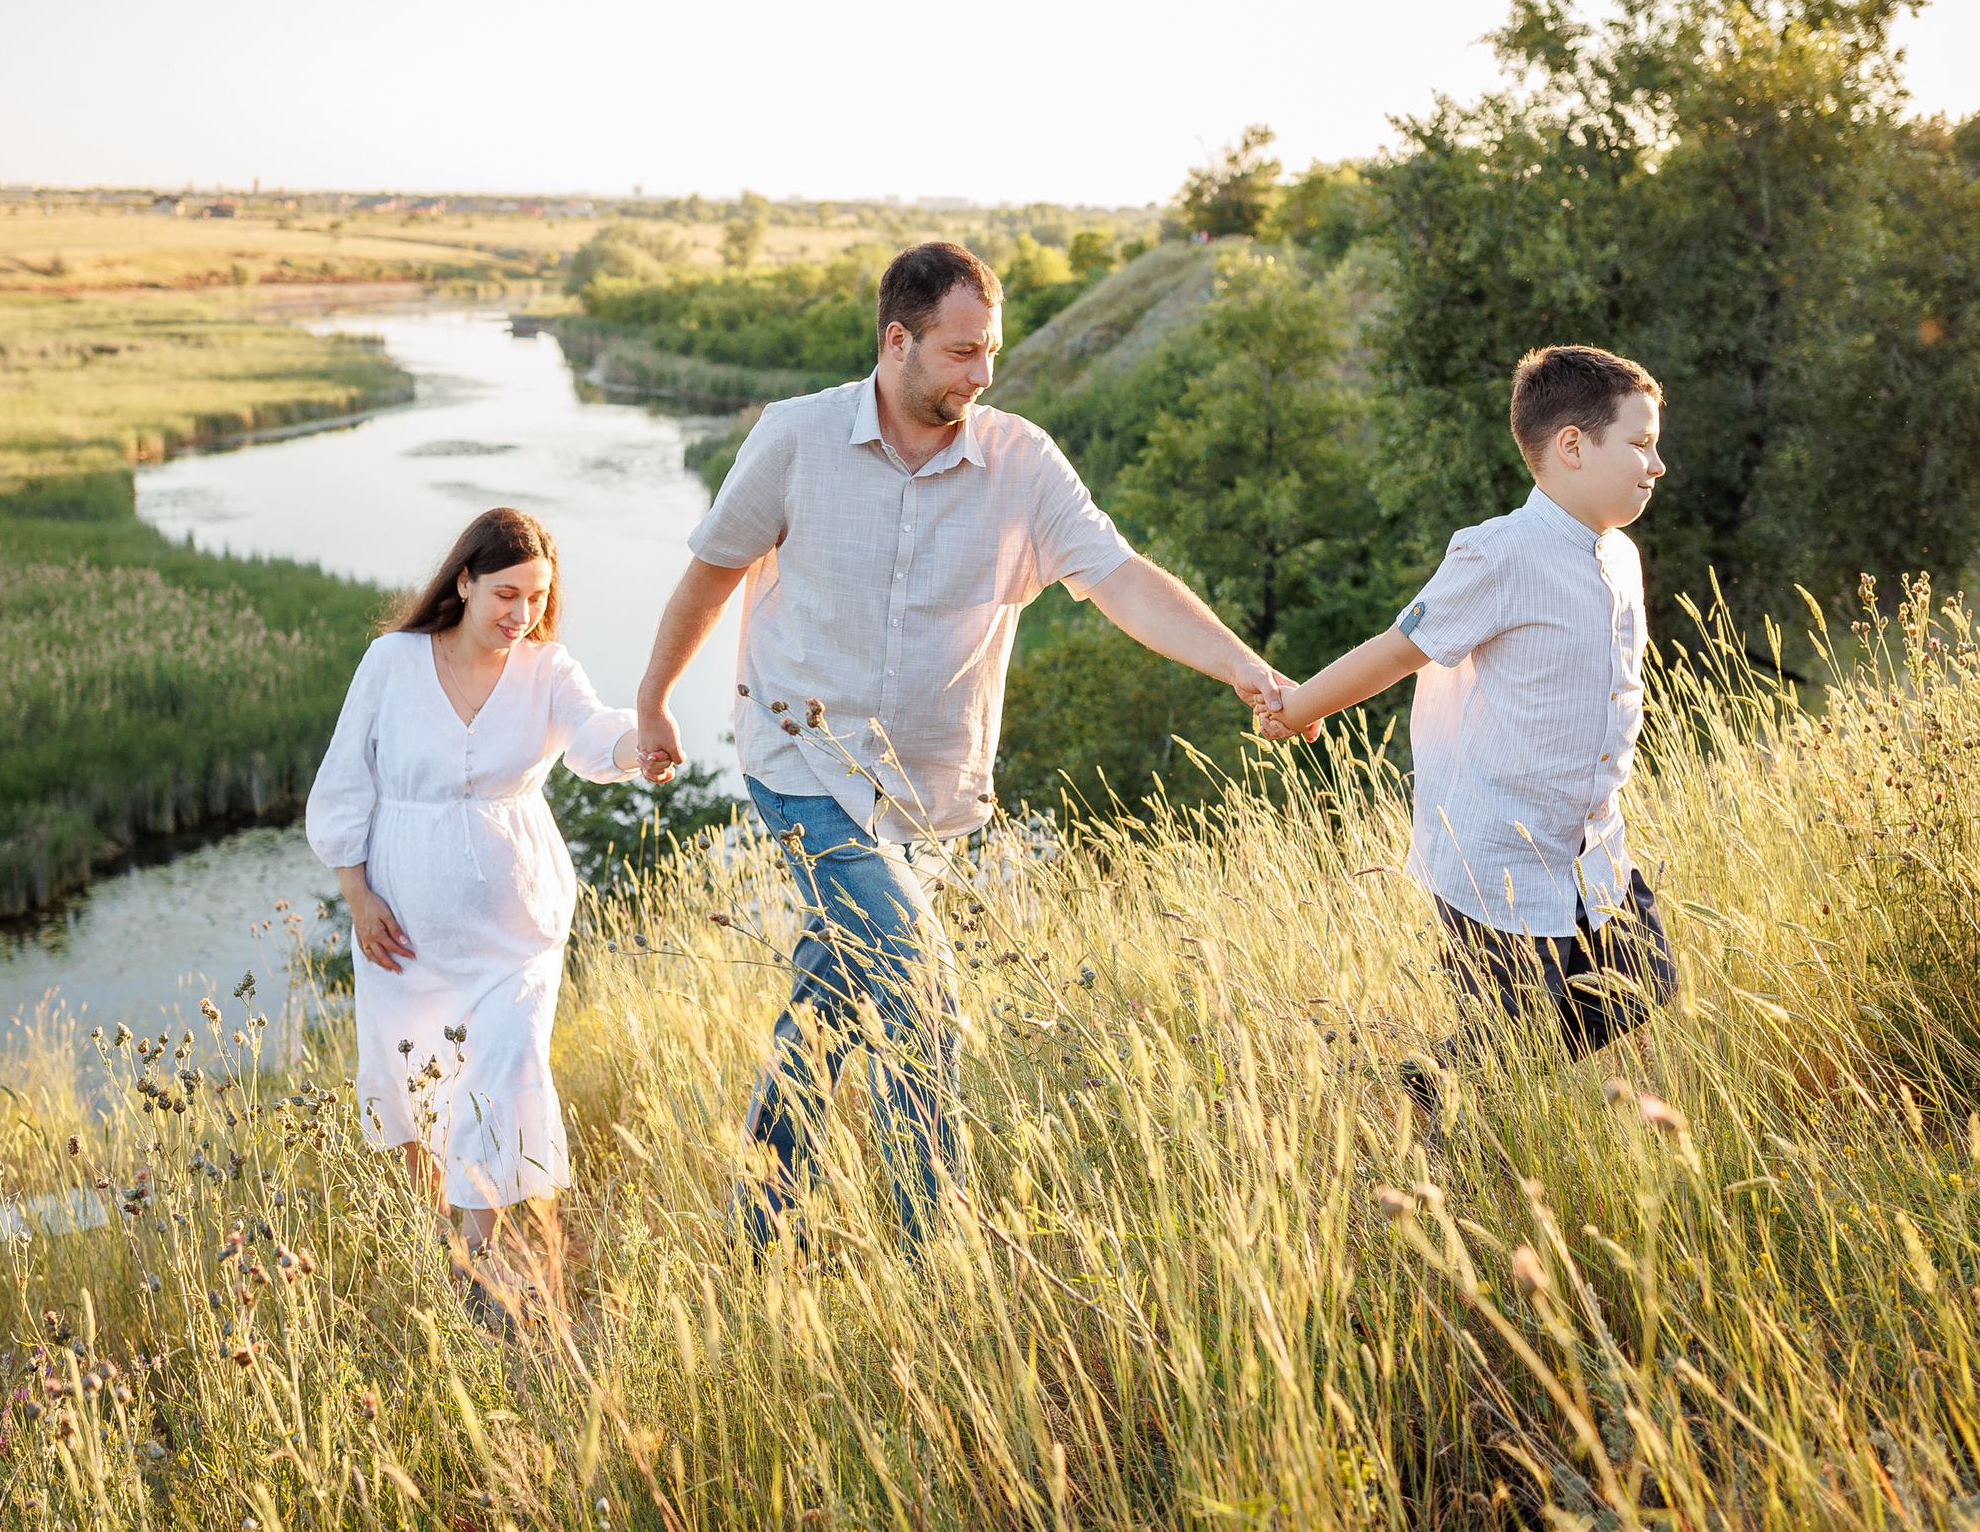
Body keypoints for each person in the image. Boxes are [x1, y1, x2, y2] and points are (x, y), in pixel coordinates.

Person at [632, 240, 1310, 1256]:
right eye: (959, 353)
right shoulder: (795, 439)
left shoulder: (1020, 461)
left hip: (921, 797)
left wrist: (1245, 670)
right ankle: (930, 1259)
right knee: (917, 990)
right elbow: (712, 573)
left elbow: (1119, 579)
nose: (981, 374)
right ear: (896, 342)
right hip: (801, 766)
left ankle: (758, 1228)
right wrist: (653, 701)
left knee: (828, 1001)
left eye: (989, 351)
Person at [1262, 344, 1677, 1111]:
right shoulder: (1498, 554)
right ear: (1574, 446)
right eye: (1642, 444)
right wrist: (1299, 707)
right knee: (1509, 1038)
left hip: (1590, 844)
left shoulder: (1619, 555)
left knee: (1644, 981)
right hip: (1498, 855)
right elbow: (1397, 648)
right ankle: (1431, 1117)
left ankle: (1443, 1078)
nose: (1658, 465)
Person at [306, 507, 642, 1306]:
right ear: (464, 581)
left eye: (536, 596)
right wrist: (357, 897)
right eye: (506, 593)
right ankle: (435, 1235)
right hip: (405, 931)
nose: (521, 614)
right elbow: (346, 781)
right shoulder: (392, 662)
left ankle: (477, 1256)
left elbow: (597, 739)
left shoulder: (548, 670)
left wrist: (644, 744)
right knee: (415, 1084)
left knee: (507, 1060)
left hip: (517, 929)